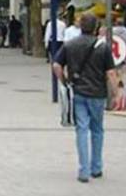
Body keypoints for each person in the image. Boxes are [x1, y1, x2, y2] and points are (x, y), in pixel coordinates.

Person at [52, 12, 121, 183]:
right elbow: (111, 73)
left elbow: (56, 65)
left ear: (80, 27)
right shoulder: (103, 47)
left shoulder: (70, 44)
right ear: (96, 27)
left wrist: (64, 81)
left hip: (78, 92)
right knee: (97, 129)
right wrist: (116, 94)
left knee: (81, 129)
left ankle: (83, 170)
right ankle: (96, 167)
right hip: (98, 93)